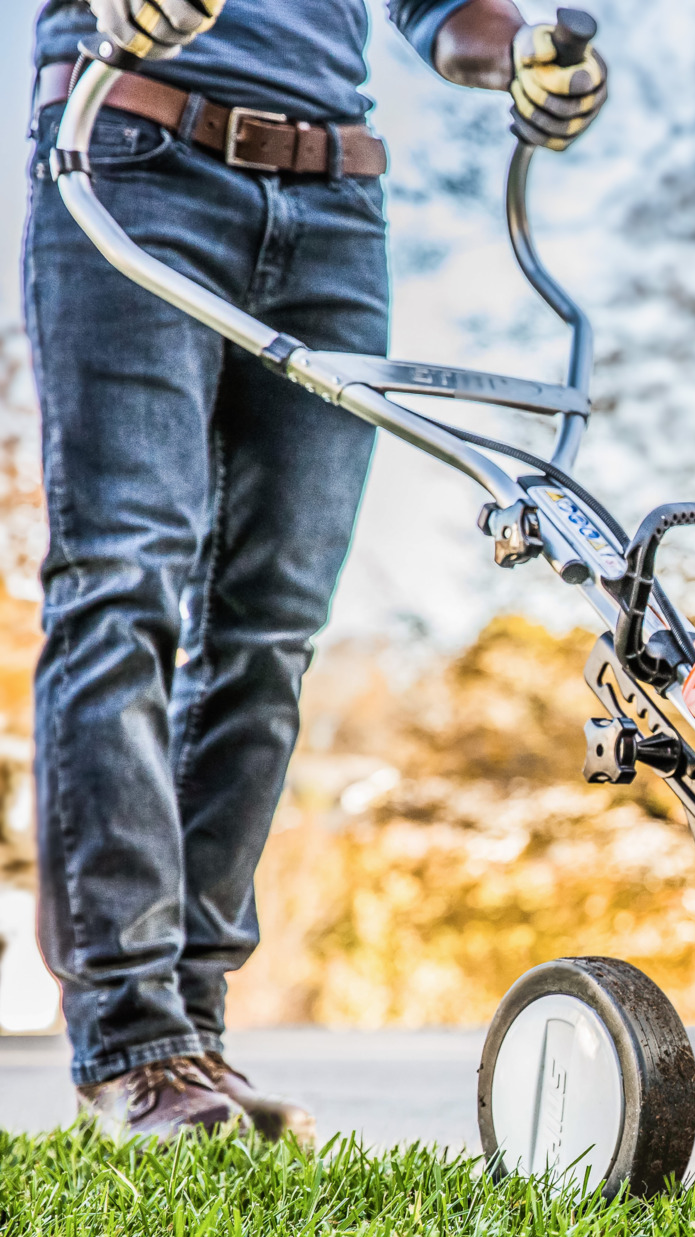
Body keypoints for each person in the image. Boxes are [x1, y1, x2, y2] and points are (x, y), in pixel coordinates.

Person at [24, 0, 607, 1140]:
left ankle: (191, 1027)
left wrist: (520, 54)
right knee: (124, 578)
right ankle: (130, 1041)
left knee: (273, 626)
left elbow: (441, 14)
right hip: (133, 148)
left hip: (334, 205)